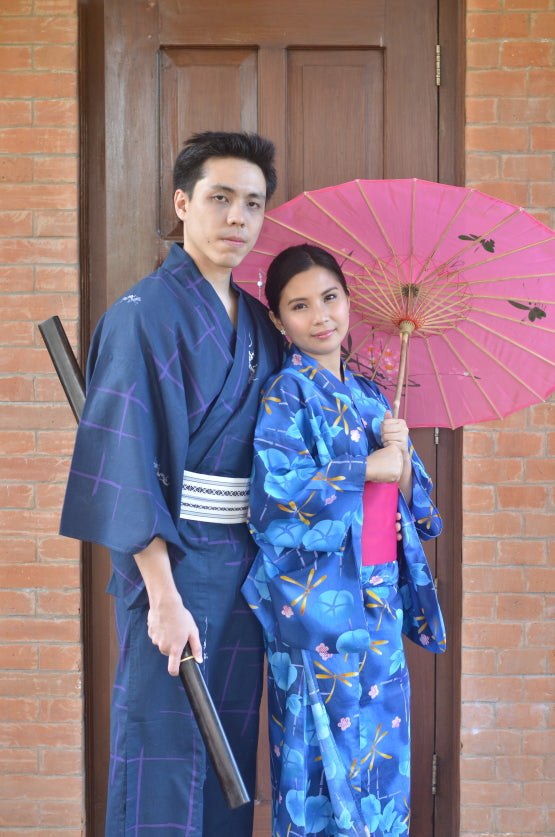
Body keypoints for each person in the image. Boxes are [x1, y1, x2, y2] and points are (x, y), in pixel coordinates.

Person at [59, 132, 283, 836]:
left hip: (243, 569)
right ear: (183, 203)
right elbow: (125, 467)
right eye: (220, 198)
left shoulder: (261, 325)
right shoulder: (140, 315)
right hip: (174, 566)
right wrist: (162, 598)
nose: (237, 217)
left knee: (227, 760)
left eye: (253, 203)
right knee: (162, 752)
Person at [242, 244, 446, 837]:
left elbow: (422, 512)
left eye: (330, 298)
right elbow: (273, 498)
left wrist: (400, 461)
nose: (320, 316)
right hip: (319, 607)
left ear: (348, 301)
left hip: (379, 594)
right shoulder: (286, 392)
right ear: (279, 320)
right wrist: (366, 469)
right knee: (319, 753)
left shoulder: (373, 397)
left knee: (381, 751)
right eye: (300, 306)